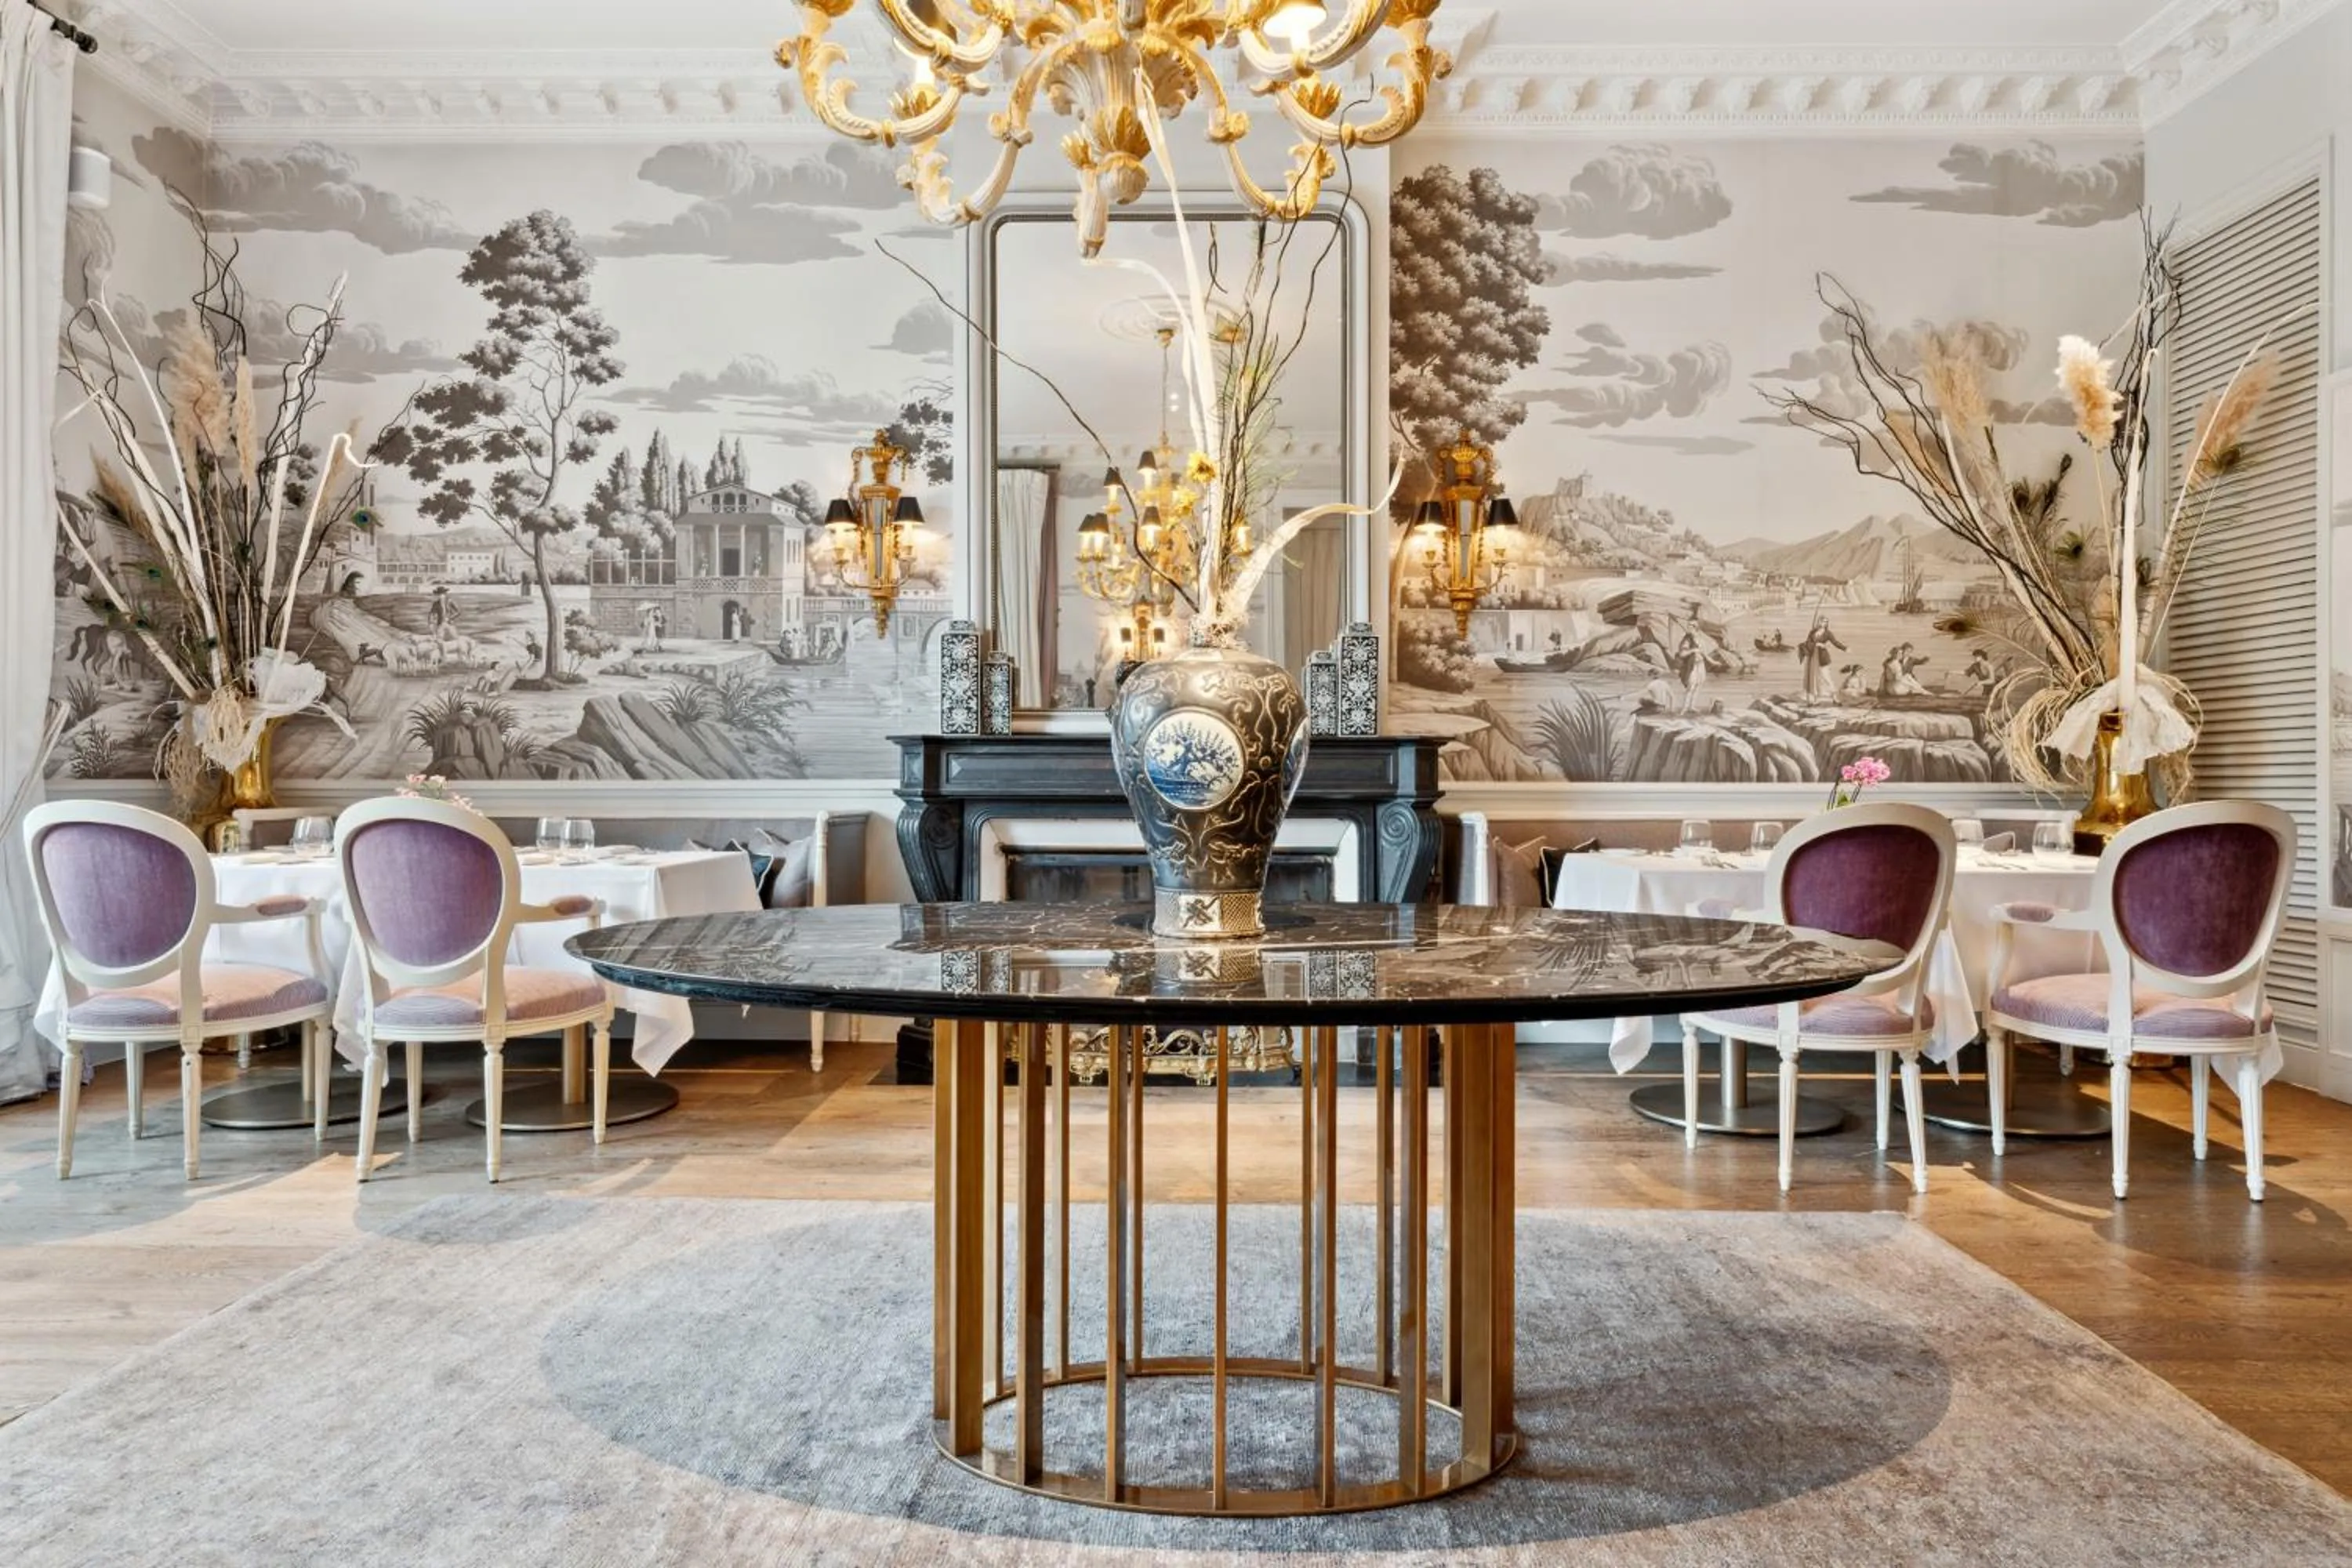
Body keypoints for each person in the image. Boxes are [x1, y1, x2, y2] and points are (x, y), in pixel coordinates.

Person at [1796, 614, 1845, 702]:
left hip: (1822, 657)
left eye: (1826, 622)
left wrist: (1844, 648)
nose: (1824, 623)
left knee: (1826, 676)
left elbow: (1835, 642)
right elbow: (1808, 642)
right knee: (1813, 677)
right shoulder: (1812, 632)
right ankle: (1814, 699)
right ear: (1818, 622)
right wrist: (1815, 644)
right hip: (1812, 657)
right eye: (1822, 621)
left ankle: (1835, 697)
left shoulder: (1828, 633)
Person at [1672, 631, 1707, 713]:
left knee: (1698, 685)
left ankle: (1692, 706)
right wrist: (1693, 650)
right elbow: (1682, 654)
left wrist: (1713, 662)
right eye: (1690, 627)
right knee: (1691, 686)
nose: (1691, 629)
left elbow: (1704, 654)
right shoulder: (1687, 640)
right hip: (1692, 666)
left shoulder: (1701, 640)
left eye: (1693, 627)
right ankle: (1685, 708)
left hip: (1701, 665)